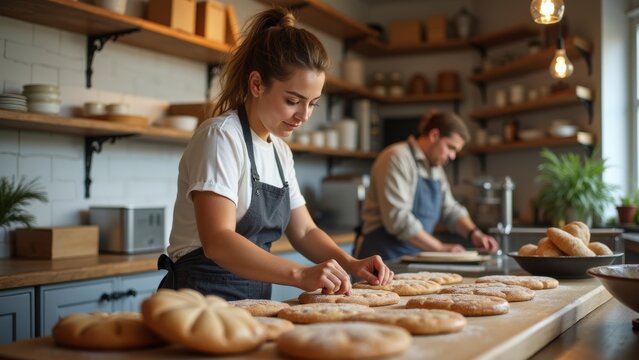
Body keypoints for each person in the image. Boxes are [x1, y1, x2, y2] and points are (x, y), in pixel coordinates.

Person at [157, 7, 392, 301]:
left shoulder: (280, 151)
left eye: (313, 104)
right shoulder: (221, 137)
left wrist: (352, 263)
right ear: (257, 84)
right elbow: (218, 241)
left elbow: (304, 231)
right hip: (199, 299)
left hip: (253, 302)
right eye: (293, 100)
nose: (304, 115)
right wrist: (299, 274)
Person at [353, 111, 499, 261]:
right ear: (434, 135)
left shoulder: (435, 168)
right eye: (450, 147)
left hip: (414, 254)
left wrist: (474, 233)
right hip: (382, 257)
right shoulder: (397, 157)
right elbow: (398, 219)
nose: (452, 156)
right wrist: (440, 248)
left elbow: (450, 209)